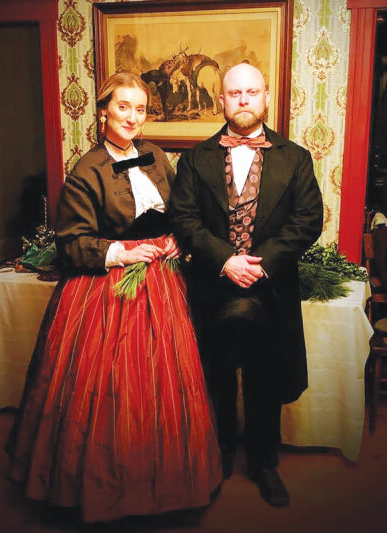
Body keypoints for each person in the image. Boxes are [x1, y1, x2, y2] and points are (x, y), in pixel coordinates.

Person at [6, 72, 222, 523]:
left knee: (167, 383)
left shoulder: (157, 156)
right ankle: (105, 488)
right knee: (113, 387)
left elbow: (182, 209)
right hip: (104, 288)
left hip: (163, 281)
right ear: (104, 111)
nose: (132, 117)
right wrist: (121, 251)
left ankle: (166, 487)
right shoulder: (86, 170)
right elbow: (72, 243)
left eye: (140, 109)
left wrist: (178, 238)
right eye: (123, 106)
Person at [168, 63, 323, 507]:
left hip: (270, 286)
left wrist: (260, 263)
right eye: (234, 92)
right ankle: (215, 455)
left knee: (264, 378)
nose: (242, 99)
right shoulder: (195, 159)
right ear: (221, 100)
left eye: (251, 91)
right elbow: (184, 218)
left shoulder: (296, 157)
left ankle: (263, 463)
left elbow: (308, 219)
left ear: (266, 97)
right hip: (213, 284)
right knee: (214, 374)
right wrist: (225, 260)